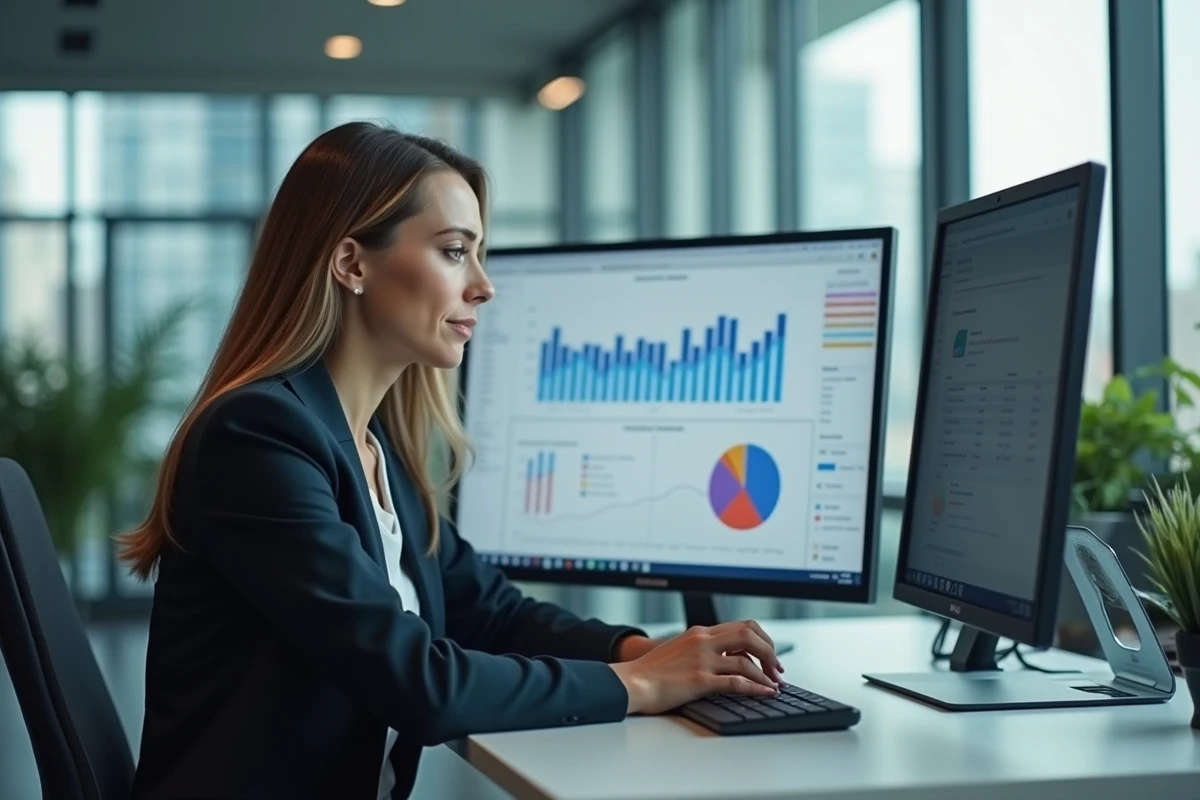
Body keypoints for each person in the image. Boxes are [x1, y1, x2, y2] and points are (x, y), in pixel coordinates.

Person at [118, 122, 784, 800]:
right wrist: (639, 684)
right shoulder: (257, 438)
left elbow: (490, 613)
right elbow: (418, 683)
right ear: (352, 263)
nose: (484, 286)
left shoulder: (373, 446)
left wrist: (640, 651)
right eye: (455, 252)